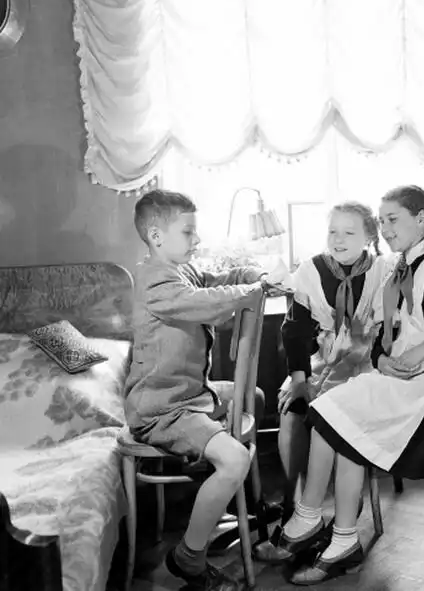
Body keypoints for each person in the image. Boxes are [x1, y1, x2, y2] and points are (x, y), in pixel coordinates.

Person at [273, 185, 424, 585]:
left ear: (421, 219)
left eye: (393, 219)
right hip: (394, 376)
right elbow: (384, 332)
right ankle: (341, 539)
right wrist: (380, 360)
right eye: (383, 221)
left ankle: (309, 519)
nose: (387, 228)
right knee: (338, 425)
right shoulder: (401, 266)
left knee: (329, 414)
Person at [124, 189, 284, 590]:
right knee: (234, 457)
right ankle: (189, 557)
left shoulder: (183, 269)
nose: (197, 239)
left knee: (254, 398)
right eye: (188, 232)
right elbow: (206, 302)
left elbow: (218, 280)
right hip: (162, 408)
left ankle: (244, 504)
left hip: (192, 393)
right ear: (156, 236)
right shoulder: (154, 281)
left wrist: (254, 275)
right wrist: (253, 292)